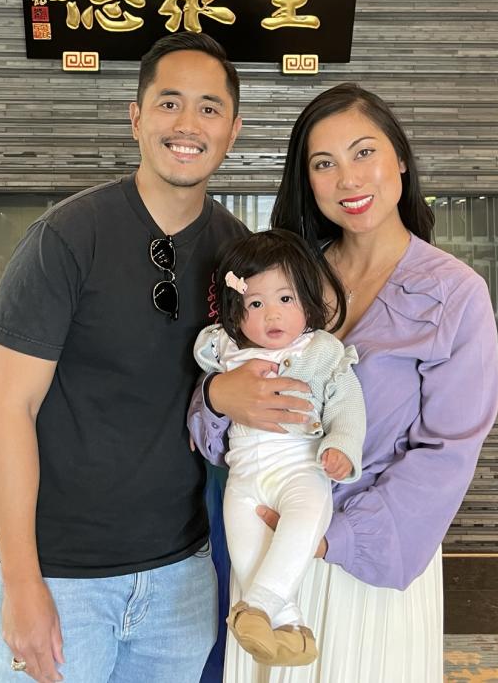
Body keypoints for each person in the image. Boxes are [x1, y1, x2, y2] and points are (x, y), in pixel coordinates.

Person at [0, 32, 281, 683]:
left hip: (179, 576)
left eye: (209, 108)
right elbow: (8, 410)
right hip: (60, 576)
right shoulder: (66, 239)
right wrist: (22, 584)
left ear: (233, 129)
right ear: (136, 116)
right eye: (169, 103)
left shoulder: (239, 256)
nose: (187, 124)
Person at [189, 83, 498, 682]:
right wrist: (215, 399)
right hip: (264, 544)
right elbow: (216, 384)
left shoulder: (454, 293)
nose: (348, 179)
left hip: (368, 562)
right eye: (323, 163)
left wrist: (332, 538)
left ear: (400, 159)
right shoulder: (287, 278)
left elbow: (448, 452)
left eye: (364, 153)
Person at [194, 230, 365, 668]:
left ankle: (260, 609)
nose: (272, 313)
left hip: (301, 467)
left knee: (303, 523)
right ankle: (290, 628)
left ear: (307, 301)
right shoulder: (226, 348)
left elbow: (347, 405)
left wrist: (342, 447)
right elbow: (202, 381)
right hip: (244, 477)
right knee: (247, 556)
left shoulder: (322, 351)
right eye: (255, 303)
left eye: (285, 299)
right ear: (237, 311)